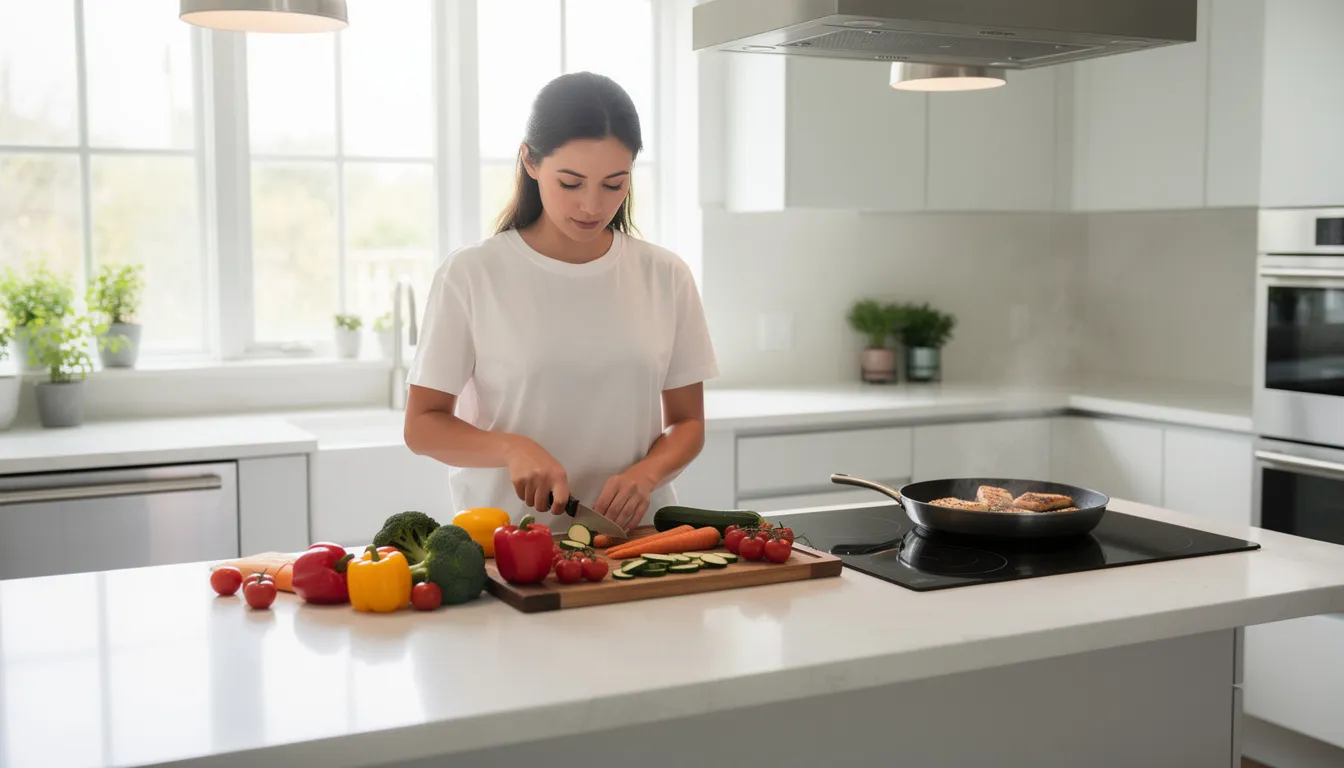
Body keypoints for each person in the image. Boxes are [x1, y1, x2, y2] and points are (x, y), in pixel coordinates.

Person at [403, 72, 718, 531]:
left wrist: (647, 474)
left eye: (614, 184)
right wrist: (512, 448)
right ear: (530, 161)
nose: (592, 205)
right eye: (571, 183)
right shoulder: (473, 273)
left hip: (635, 541)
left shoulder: (665, 275)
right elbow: (422, 426)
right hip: (507, 544)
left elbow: (688, 423)